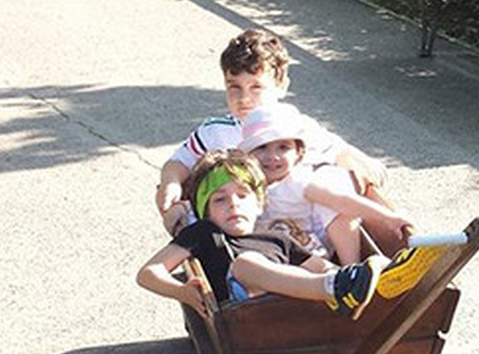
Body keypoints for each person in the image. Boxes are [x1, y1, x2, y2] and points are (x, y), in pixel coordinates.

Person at [154, 28, 391, 239]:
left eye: (256, 87)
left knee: (336, 180)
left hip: (301, 229)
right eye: (234, 87)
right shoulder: (217, 131)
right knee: (188, 212)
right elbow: (179, 162)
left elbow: (342, 154)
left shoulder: (297, 127)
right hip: (239, 228)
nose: (244, 98)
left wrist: (366, 168)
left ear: (281, 86)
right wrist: (171, 183)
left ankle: (372, 254)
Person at [137, 149, 388, 320]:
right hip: (245, 314)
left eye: (242, 196)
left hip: (298, 309)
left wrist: (347, 274)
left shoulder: (277, 238)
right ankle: (335, 288)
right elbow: (148, 273)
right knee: (245, 264)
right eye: (220, 200)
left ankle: (375, 279)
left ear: (259, 204)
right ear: (205, 211)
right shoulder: (204, 232)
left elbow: (320, 266)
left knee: (332, 271)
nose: (233, 204)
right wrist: (181, 291)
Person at [238, 102, 414, 264]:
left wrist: (387, 217)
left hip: (311, 257)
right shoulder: (245, 184)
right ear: (247, 155)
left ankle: (351, 269)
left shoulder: (297, 182)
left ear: (299, 153)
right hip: (270, 257)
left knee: (337, 197)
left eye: (283, 147)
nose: (272, 156)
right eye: (262, 147)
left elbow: (342, 201)